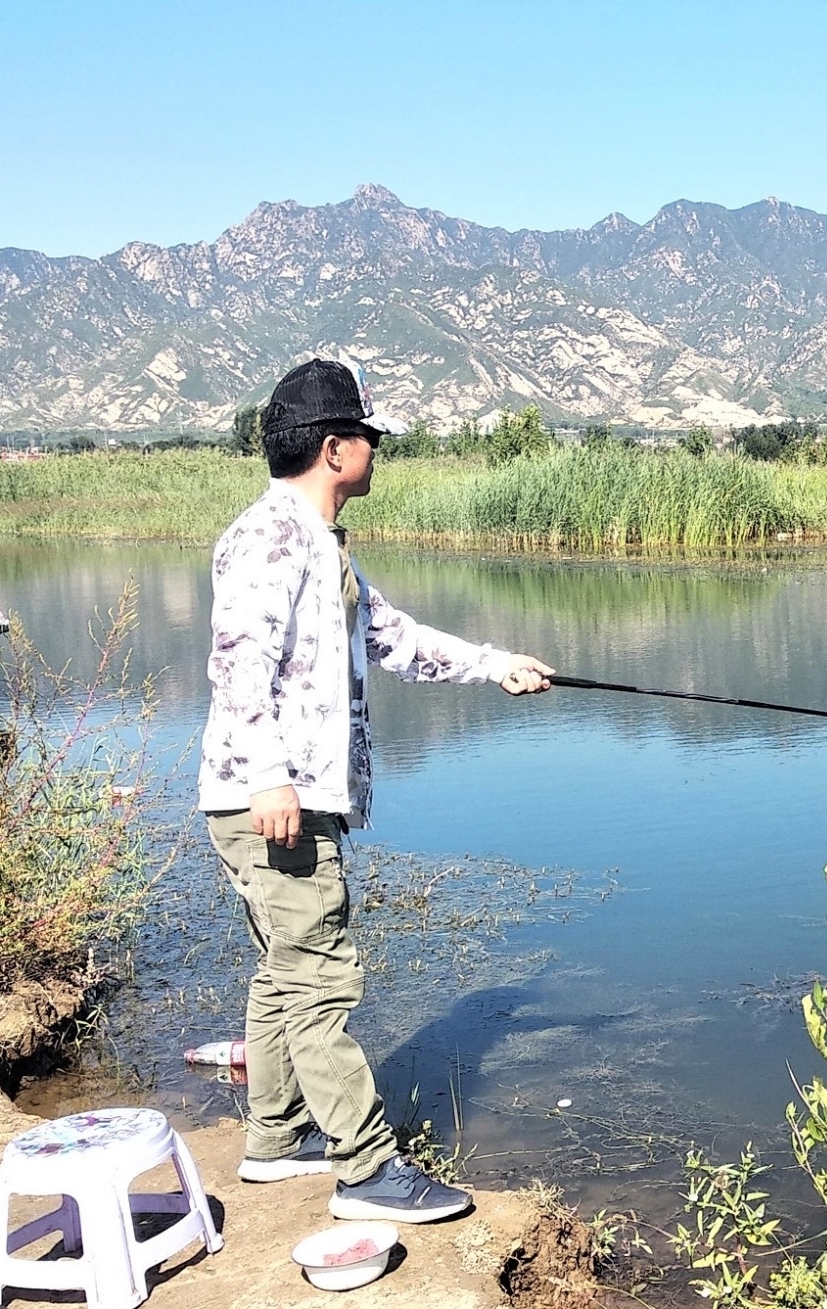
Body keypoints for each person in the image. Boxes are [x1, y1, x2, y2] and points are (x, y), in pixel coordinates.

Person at [197, 358, 554, 1222]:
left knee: (285, 973)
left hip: (285, 798)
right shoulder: (270, 539)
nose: (374, 450)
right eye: (366, 436)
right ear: (333, 449)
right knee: (321, 977)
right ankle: (365, 1170)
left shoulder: (322, 545)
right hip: (272, 802)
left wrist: (496, 664)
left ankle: (276, 1139)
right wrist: (273, 776)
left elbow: (392, 638)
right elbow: (238, 660)